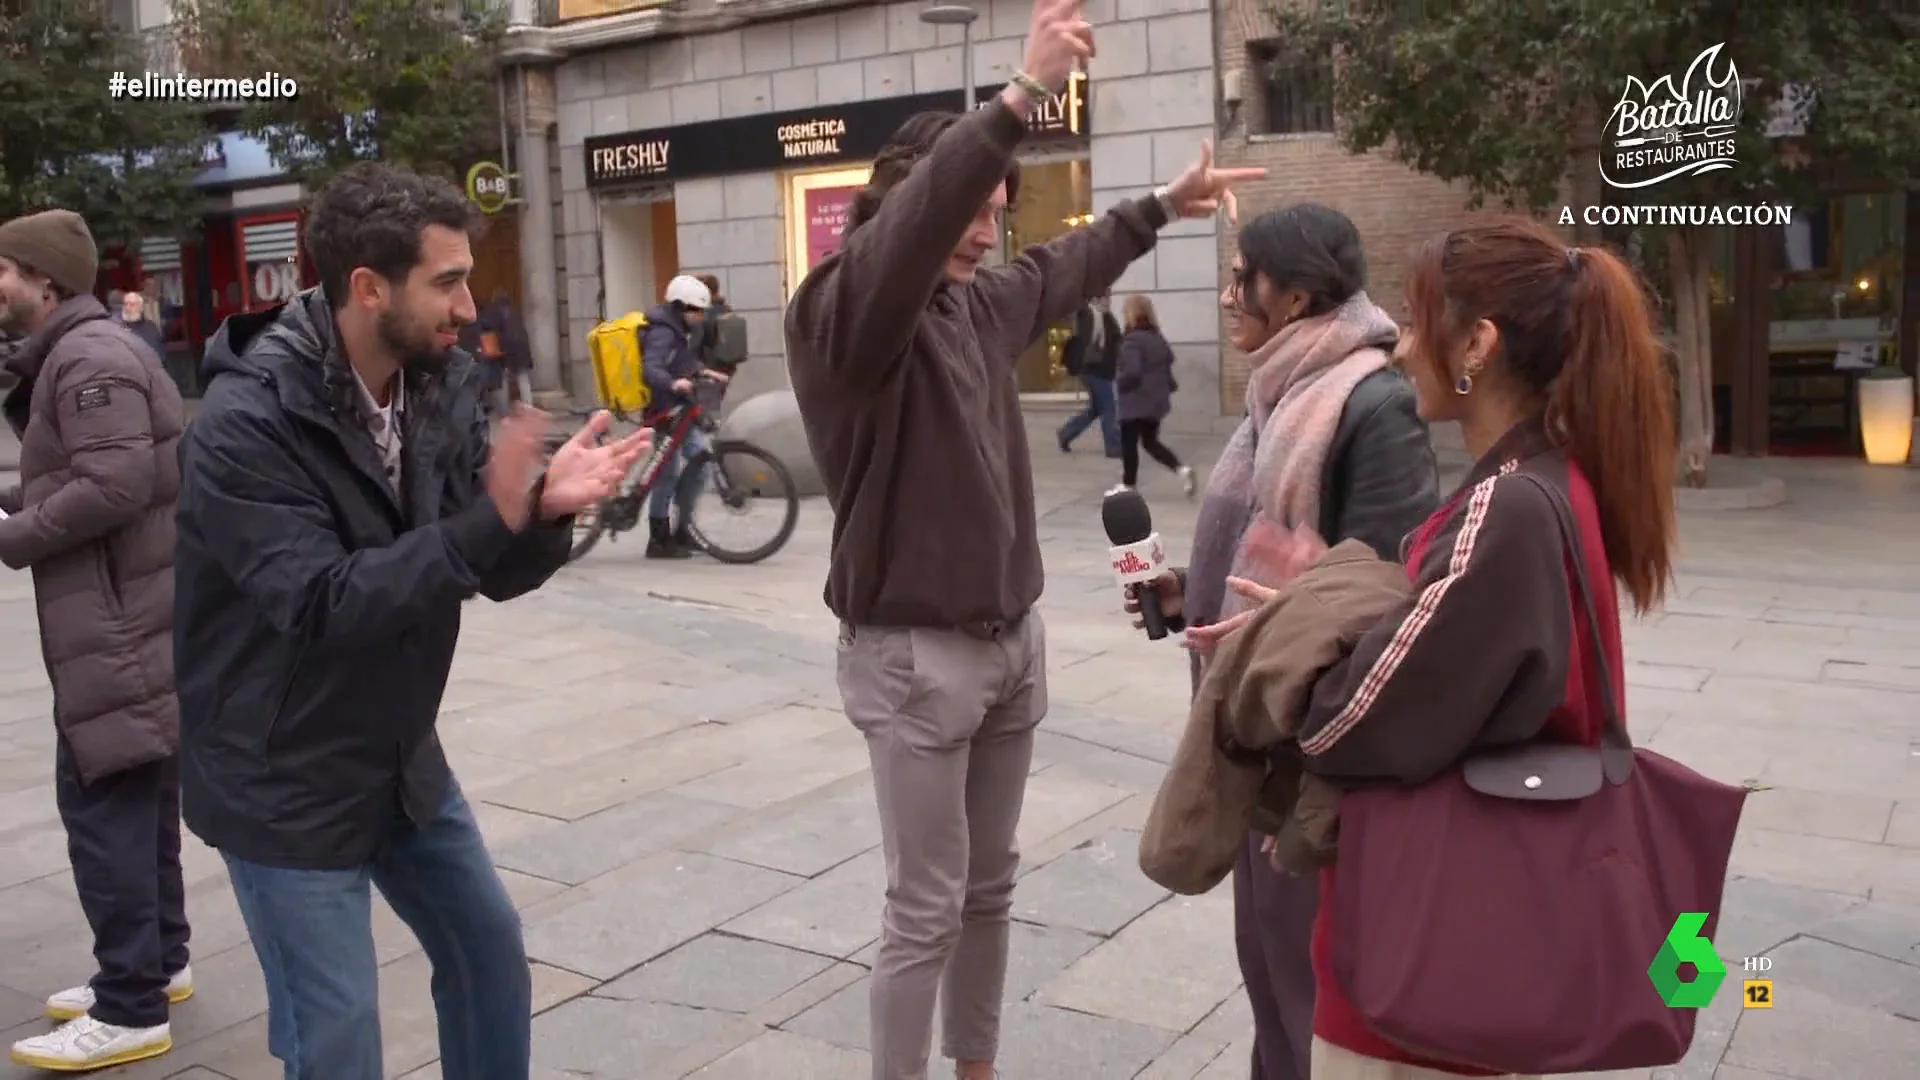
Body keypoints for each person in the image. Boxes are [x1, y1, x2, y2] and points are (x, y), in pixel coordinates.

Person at [783, 1, 1263, 1075]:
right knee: (926, 905)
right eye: (968, 209)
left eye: (996, 212)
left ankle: (977, 1067)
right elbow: (913, 234)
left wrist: (1158, 208)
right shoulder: (841, 314)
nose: (983, 230)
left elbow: (1062, 269)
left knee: (990, 889)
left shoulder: (971, 307)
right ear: (904, 202)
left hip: (1009, 644)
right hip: (914, 656)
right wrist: (1022, 96)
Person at [171, 163, 651, 1080]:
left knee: (488, 958)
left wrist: (544, 510)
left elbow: (486, 567)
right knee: (340, 1033)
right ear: (367, 288)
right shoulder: (246, 423)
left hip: (396, 752)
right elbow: (323, 600)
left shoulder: (436, 385)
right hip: (281, 773)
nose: (468, 305)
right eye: (446, 282)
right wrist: (492, 518)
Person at [1235, 218, 1678, 1079]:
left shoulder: (1504, 507)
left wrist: (1290, 644)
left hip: (1427, 956)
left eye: (1413, 322)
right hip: (1484, 926)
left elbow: (1348, 723)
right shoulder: (1553, 478)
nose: (1401, 350)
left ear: (1475, 344)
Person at [1126, 203, 1439, 1080]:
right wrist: (1196, 591)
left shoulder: (1372, 402)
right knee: (1268, 971)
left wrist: (1276, 626)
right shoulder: (1283, 385)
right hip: (1256, 722)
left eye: (1242, 279)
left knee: (1306, 982)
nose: (1229, 295)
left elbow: (1380, 588)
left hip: (1308, 744)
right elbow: (1271, 558)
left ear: (1296, 295)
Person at [0, 210, 191, 1072]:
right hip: (125, 611)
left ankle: (129, 1005)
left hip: (116, 619)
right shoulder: (79, 355)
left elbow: (115, 485)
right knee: (138, 792)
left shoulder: (88, 359)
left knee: (103, 798)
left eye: (2, 269)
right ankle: (160, 962)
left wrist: (14, 531)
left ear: (45, 281)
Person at [640, 272, 726, 559]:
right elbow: (651, 367)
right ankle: (659, 538)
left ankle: (683, 528)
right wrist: (673, 383)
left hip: (680, 411)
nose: (700, 316)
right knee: (666, 474)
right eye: (696, 310)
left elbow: (681, 362)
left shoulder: (676, 330)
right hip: (664, 411)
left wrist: (701, 371)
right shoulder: (663, 331)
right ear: (680, 306)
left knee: (701, 462)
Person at [1112, 293, 1195, 496]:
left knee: (1128, 444)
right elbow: (1167, 365)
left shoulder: (1132, 341)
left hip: (1134, 401)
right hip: (1155, 401)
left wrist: (1119, 382)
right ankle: (1181, 469)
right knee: (1150, 442)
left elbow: (1132, 371)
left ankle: (1128, 485)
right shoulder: (1157, 339)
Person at [1054, 293, 1121, 456]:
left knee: (1095, 409)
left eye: (1109, 299)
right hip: (1093, 370)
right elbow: (1084, 338)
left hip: (1103, 371)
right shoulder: (1089, 315)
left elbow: (1117, 341)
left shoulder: (1108, 318)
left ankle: (1066, 432)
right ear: (1095, 300)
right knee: (1109, 408)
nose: (1108, 302)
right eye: (1104, 299)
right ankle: (1113, 446)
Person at [472, 287, 534, 413]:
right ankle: (529, 408)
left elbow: (490, 329)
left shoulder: (495, 312)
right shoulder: (514, 311)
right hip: (522, 348)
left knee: (502, 379)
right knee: (523, 378)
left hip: (506, 349)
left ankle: (504, 410)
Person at [120, 291, 167, 361]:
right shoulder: (117, 327)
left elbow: (160, 356)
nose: (128, 308)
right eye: (126, 304)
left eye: (132, 305)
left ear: (141, 308)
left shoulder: (151, 328)